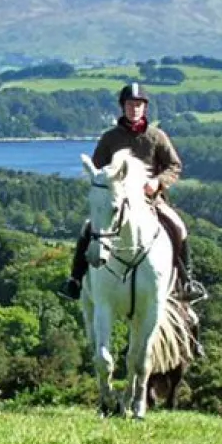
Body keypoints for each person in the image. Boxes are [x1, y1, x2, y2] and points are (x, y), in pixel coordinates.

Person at [59, 83, 205, 302]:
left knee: (178, 227)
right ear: (123, 107)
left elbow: (174, 166)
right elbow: (98, 168)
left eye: (138, 105)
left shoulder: (157, 136)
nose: (134, 109)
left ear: (144, 108)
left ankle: (186, 281)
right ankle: (75, 280)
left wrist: (158, 182)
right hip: (117, 201)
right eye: (130, 104)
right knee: (88, 228)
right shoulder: (110, 138)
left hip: (150, 201)